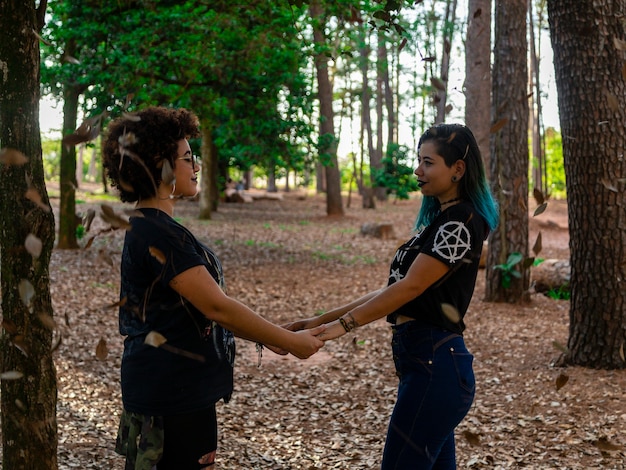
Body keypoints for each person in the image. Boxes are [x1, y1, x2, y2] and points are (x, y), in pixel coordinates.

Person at [101, 106, 325, 470]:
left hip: (173, 390)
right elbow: (216, 307)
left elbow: (203, 306)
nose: (196, 166)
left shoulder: (152, 225)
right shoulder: (158, 234)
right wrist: (289, 342)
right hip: (172, 398)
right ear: (161, 164)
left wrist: (273, 334)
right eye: (187, 158)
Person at [287, 123, 498, 469]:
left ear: (457, 169)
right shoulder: (442, 222)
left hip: (436, 365)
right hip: (427, 365)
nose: (418, 170)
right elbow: (394, 287)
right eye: (419, 161)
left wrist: (343, 327)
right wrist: (319, 320)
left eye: (428, 162)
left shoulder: (460, 223)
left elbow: (410, 288)